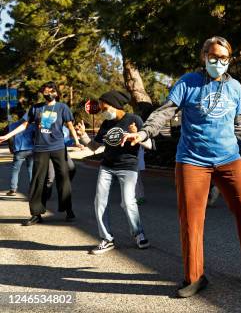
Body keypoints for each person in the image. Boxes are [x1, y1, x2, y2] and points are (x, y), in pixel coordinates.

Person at [122, 36, 241, 298]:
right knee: (192, 220)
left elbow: (238, 128)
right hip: (192, 160)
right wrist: (144, 133)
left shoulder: (236, 87)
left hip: (229, 158)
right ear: (204, 57)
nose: (219, 63)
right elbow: (165, 111)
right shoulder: (187, 82)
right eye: (214, 58)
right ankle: (194, 277)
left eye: (224, 58)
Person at [75, 91, 152, 255]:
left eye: (105, 107)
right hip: (107, 167)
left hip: (128, 166)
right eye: (102, 109)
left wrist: (137, 136)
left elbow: (151, 144)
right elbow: (95, 146)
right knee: (99, 201)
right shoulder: (106, 123)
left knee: (128, 202)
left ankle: (138, 234)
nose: (103, 111)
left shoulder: (134, 119)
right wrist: (83, 136)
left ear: (115, 105)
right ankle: (106, 238)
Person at [0, 81, 83, 225]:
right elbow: (24, 125)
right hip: (40, 149)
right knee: (38, 182)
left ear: (56, 93)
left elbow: (70, 125)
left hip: (58, 148)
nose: (48, 93)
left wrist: (76, 141)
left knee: (64, 180)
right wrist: (7, 136)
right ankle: (36, 214)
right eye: (45, 91)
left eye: (51, 91)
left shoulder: (62, 107)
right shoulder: (36, 108)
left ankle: (68, 210)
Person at [5, 111, 36, 196]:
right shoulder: (31, 125)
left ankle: (13, 189)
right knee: (31, 170)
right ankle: (32, 190)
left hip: (18, 150)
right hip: (30, 149)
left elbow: (10, 138)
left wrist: (11, 149)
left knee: (15, 170)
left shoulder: (12, 125)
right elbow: (35, 137)